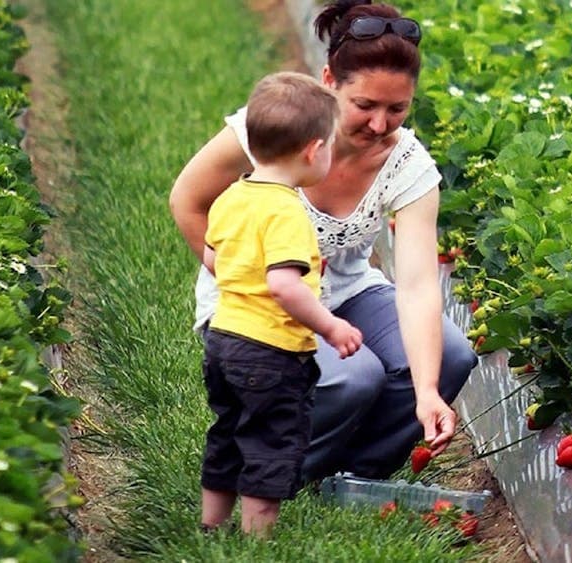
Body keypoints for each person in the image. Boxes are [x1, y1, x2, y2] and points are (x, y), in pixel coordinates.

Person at [169, 0, 478, 485]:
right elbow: (187, 199)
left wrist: (426, 391)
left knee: (452, 356)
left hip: (347, 293)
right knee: (355, 379)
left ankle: (351, 476)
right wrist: (231, 273)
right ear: (329, 80)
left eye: (397, 108)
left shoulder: (409, 166)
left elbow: (417, 287)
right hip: (260, 299)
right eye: (365, 106)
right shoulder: (277, 127)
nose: (380, 124)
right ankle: (265, 472)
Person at [199, 71, 363, 537]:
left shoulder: (234, 194)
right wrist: (331, 326)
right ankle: (258, 540)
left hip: (223, 337)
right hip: (270, 350)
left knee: (228, 434)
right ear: (313, 150)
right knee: (270, 442)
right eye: (329, 145)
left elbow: (215, 257)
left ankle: (211, 527)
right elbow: (284, 287)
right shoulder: (287, 209)